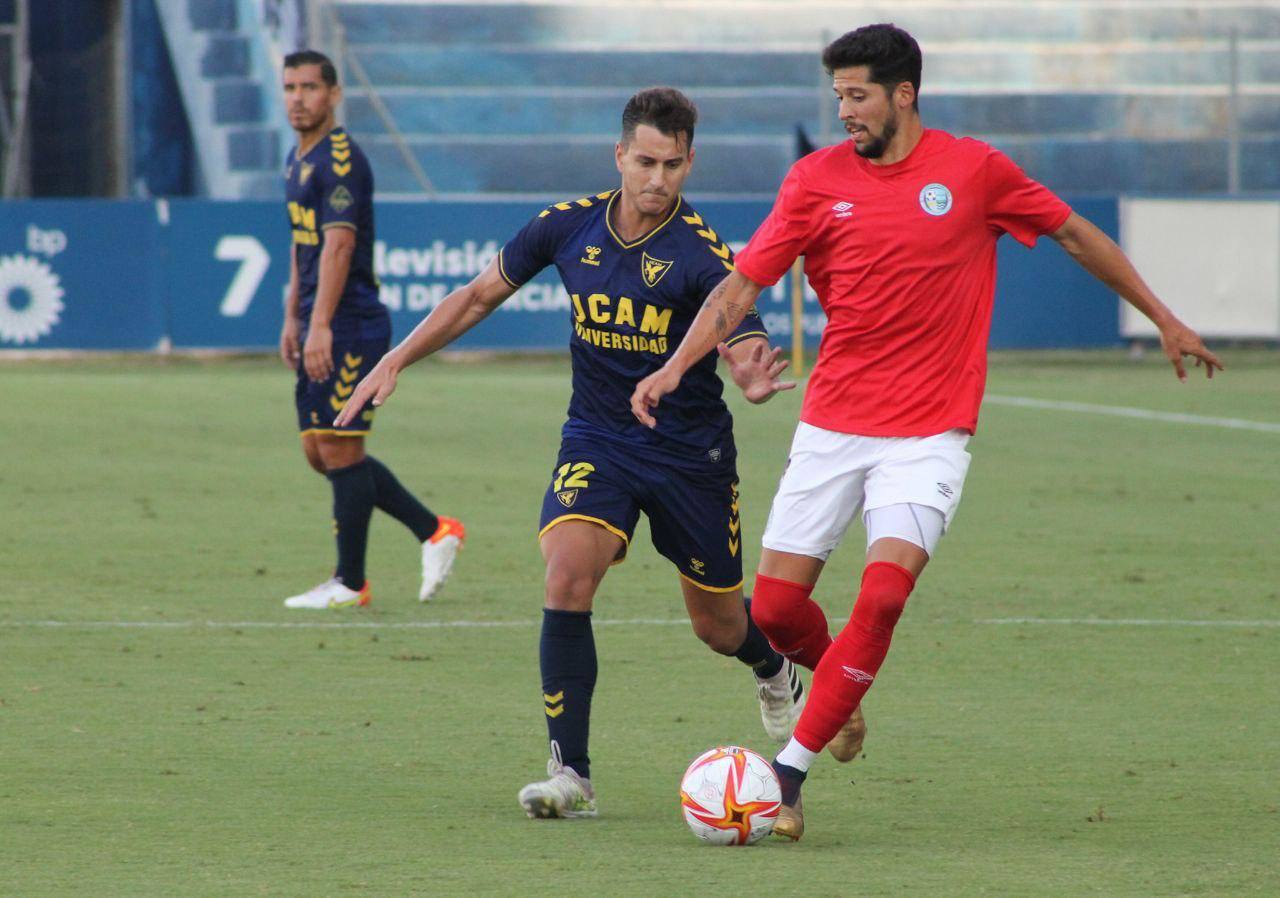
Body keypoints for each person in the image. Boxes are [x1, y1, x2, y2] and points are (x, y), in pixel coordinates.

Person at [630, 24, 1223, 841]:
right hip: (833, 422)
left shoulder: (975, 171)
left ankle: (788, 778)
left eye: (858, 95)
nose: (844, 110)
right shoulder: (813, 181)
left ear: (903, 93)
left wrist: (1162, 317)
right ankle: (844, 684)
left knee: (883, 594)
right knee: (770, 608)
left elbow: (1074, 233)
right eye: (837, 95)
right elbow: (740, 287)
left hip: (929, 432)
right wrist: (672, 367)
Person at [336, 87, 805, 818]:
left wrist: (750, 371)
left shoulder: (704, 253)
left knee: (718, 627)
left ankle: (772, 667)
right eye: (645, 161)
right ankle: (572, 775)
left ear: (690, 163)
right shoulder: (566, 226)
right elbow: (476, 295)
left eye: (673, 165)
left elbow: (740, 332)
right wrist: (399, 356)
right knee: (566, 578)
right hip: (598, 437)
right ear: (619, 155)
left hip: (689, 456)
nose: (658, 179)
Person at [278, 50, 464, 610]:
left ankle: (350, 582)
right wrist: (292, 313)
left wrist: (319, 325)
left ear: (334, 95)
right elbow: (302, 242)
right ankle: (436, 530)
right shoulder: (297, 157)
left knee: (338, 447)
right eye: (289, 87)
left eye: (310, 87)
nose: (298, 98)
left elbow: (339, 245)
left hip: (350, 324)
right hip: (323, 318)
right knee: (321, 451)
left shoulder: (340, 160)